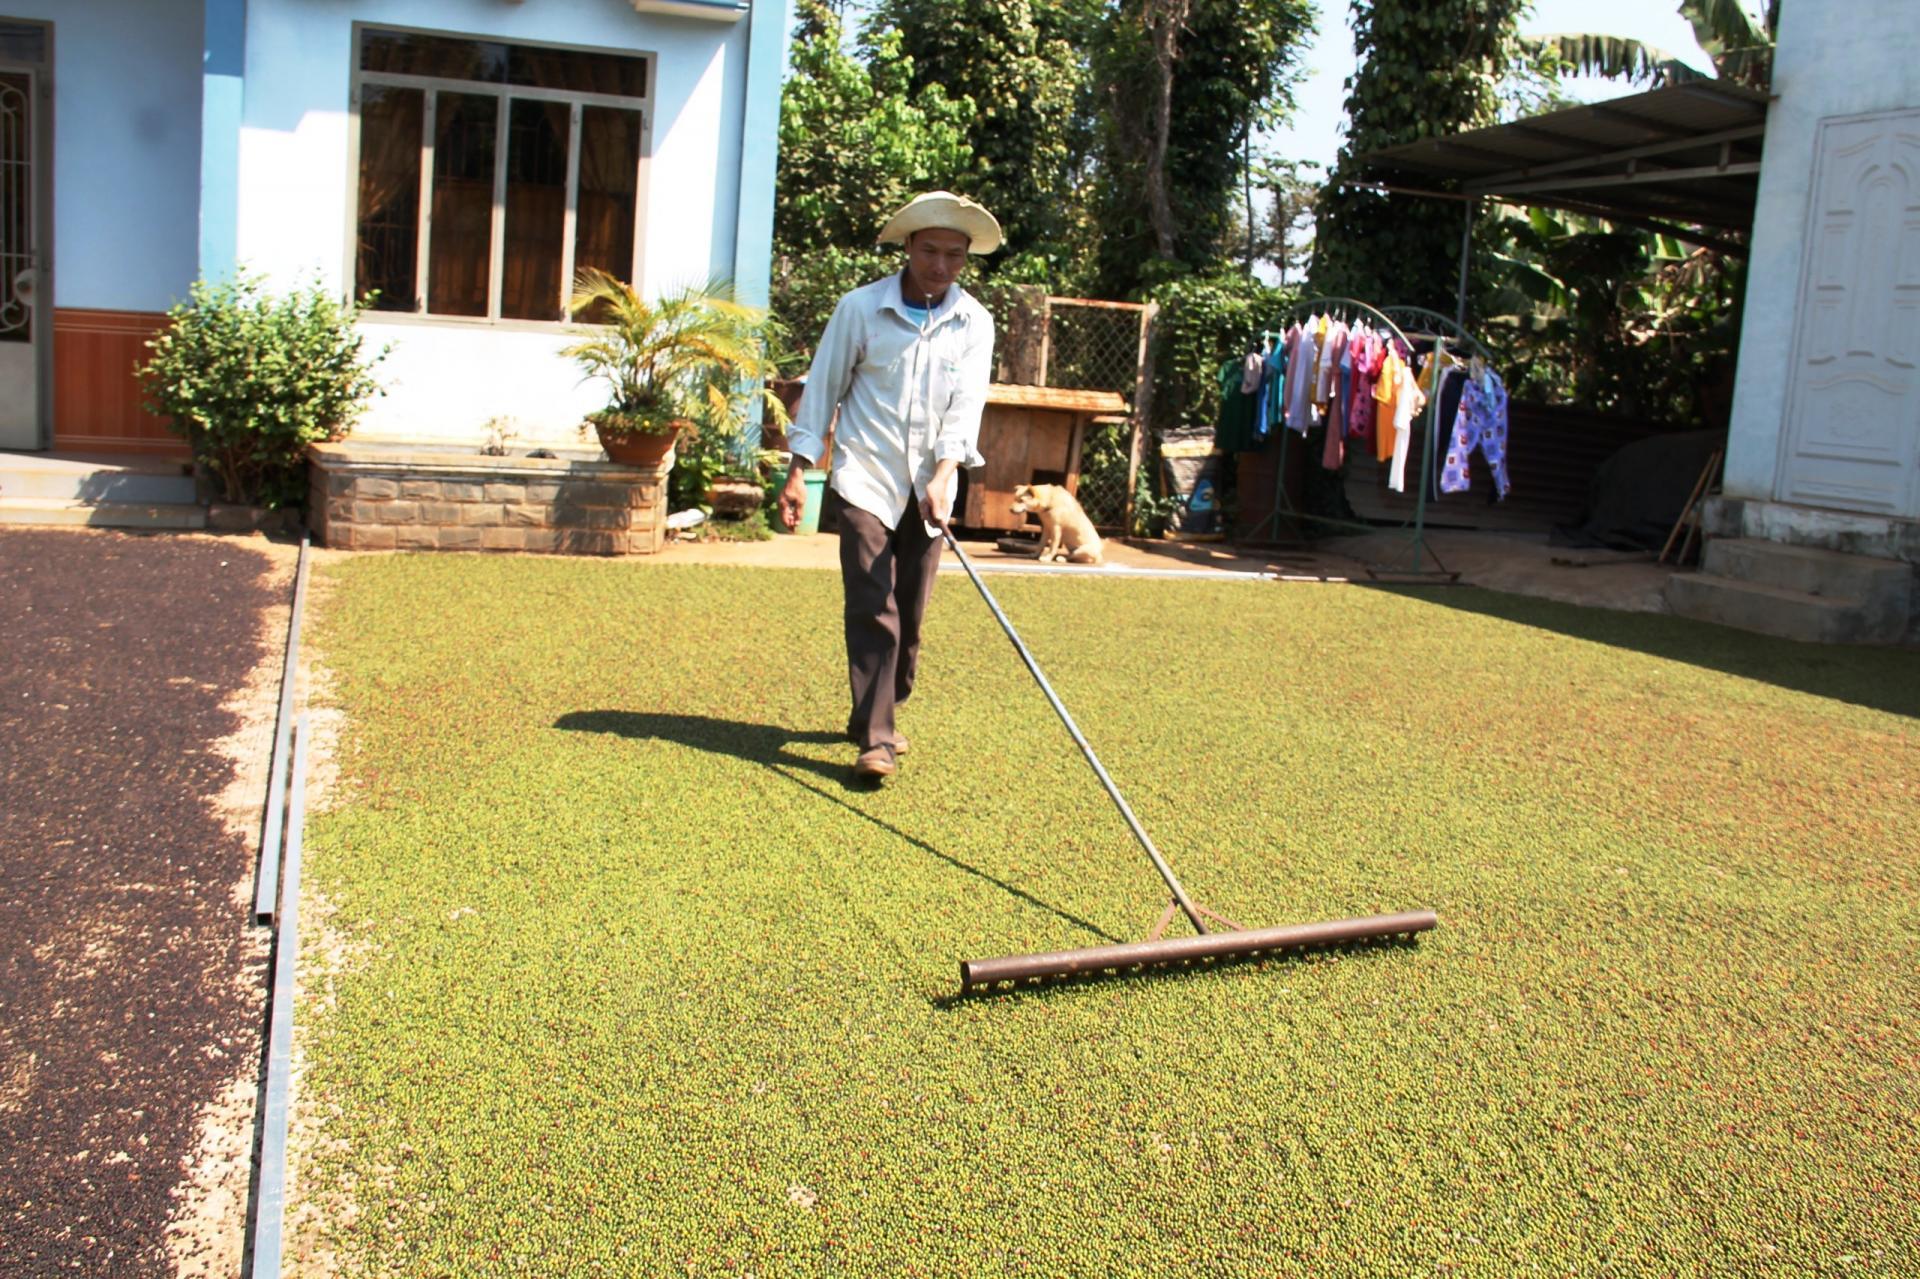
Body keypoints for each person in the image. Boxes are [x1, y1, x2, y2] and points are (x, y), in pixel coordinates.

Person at [778, 191, 1000, 780]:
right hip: (864, 475)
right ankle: (878, 738)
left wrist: (947, 472)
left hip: (932, 484)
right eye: (930, 251)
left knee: (911, 613)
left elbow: (966, 406)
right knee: (874, 602)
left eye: (954, 255)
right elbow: (823, 386)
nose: (941, 265)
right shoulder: (860, 309)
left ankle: (878, 707)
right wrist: (799, 470)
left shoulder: (975, 323)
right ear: (907, 247)